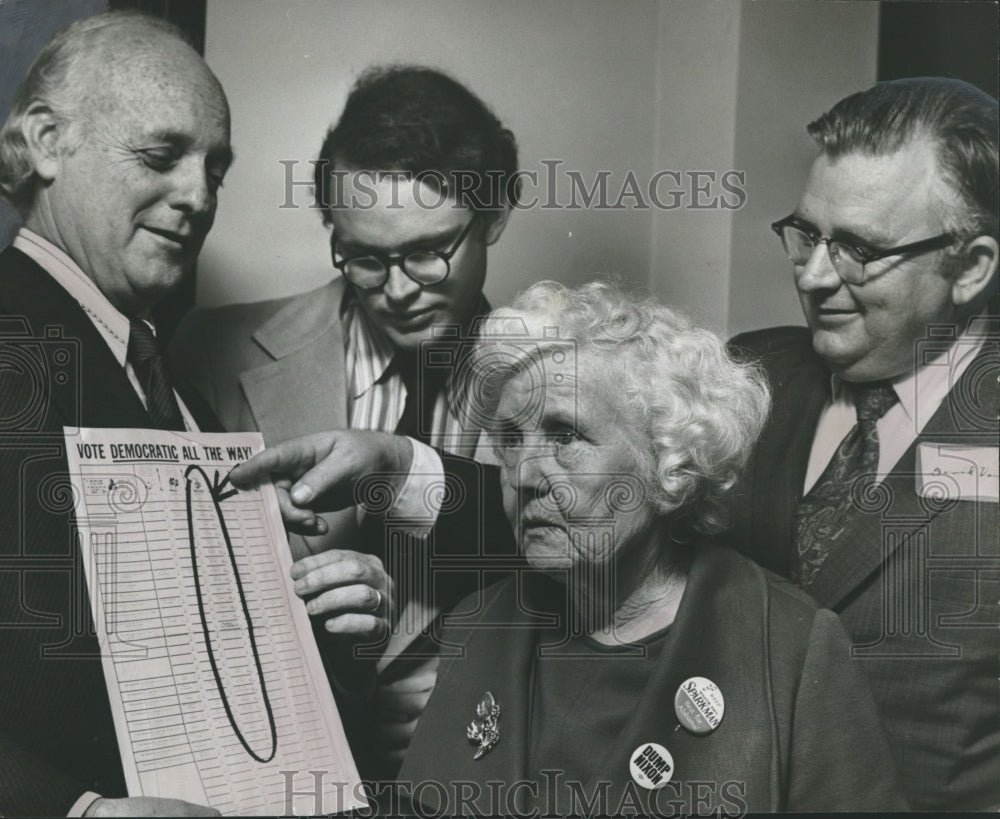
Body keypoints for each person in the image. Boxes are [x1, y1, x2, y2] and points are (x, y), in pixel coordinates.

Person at [231, 280, 906, 813]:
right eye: (512, 440)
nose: (523, 475)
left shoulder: (790, 646)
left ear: (668, 468)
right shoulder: (479, 624)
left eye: (566, 437)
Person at [0, 13, 389, 816]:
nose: (199, 196)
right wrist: (75, 810)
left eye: (216, 166)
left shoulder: (181, 394)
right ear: (44, 142)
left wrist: (333, 633)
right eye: (161, 154)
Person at [169, 64, 519, 777]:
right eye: (364, 257)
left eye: (427, 251)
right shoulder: (207, 353)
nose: (397, 291)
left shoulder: (567, 386)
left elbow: (608, 605)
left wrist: (492, 709)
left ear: (496, 214)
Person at [725, 77, 999, 811]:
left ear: (970, 266)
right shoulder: (745, 374)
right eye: (807, 234)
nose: (814, 276)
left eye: (858, 249)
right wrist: (409, 471)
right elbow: (592, 509)